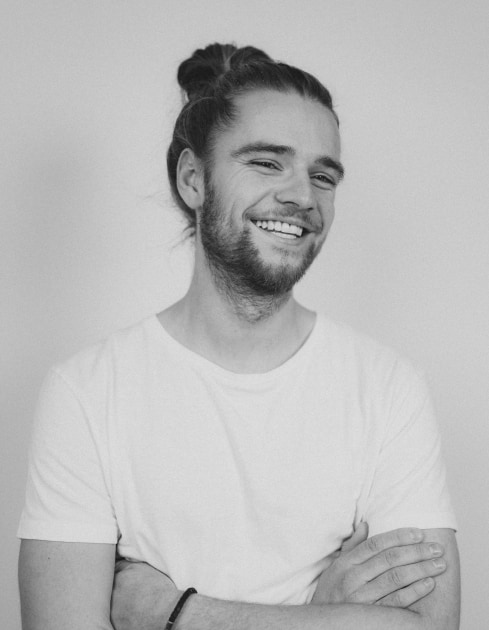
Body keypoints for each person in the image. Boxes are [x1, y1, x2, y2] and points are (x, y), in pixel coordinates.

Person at [18, 43, 460, 630]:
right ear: (193, 179)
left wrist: (179, 613)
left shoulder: (389, 389)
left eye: (322, 176)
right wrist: (328, 617)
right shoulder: (86, 393)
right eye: (267, 162)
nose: (302, 196)